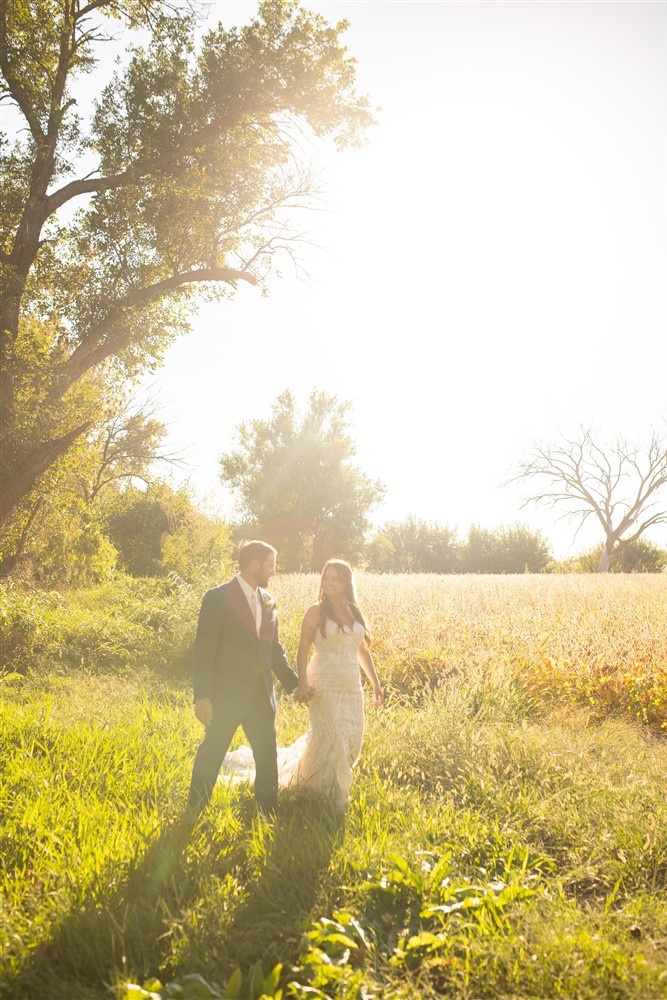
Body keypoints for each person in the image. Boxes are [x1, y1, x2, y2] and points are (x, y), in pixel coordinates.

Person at [223, 559, 383, 810]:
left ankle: (319, 781)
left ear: (345, 582)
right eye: (325, 578)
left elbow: (361, 651)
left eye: (335, 579)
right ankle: (326, 793)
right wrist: (302, 684)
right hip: (324, 683)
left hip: (351, 686)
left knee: (353, 739)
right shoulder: (316, 611)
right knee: (331, 737)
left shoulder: (354, 610)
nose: (329, 583)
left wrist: (375, 683)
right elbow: (302, 650)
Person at [187, 540, 301, 815]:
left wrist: (295, 684)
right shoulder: (218, 597)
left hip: (262, 696)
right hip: (225, 697)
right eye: (271, 565)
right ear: (254, 565)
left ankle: (267, 813)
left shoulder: (268, 602)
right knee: (212, 753)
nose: (273, 571)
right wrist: (202, 696)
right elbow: (204, 650)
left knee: (266, 758)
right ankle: (194, 812)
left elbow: (274, 650)